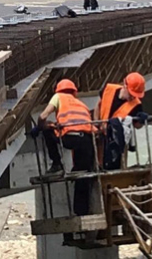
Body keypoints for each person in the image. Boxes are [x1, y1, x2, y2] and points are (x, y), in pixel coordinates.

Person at [34, 79, 95, 216]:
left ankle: (57, 164)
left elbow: (43, 116)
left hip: (70, 138)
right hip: (87, 141)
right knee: (82, 174)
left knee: (47, 129)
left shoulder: (58, 97)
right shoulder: (81, 104)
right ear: (74, 91)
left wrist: (40, 126)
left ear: (58, 90)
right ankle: (82, 212)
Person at [95, 73, 147, 170]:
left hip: (119, 140)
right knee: (99, 165)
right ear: (125, 85)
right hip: (102, 134)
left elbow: (137, 125)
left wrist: (141, 121)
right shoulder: (108, 89)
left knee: (119, 166)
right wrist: (96, 124)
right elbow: (98, 106)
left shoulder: (137, 105)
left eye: (135, 95)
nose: (133, 97)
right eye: (131, 94)